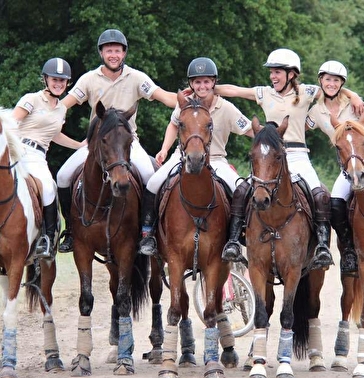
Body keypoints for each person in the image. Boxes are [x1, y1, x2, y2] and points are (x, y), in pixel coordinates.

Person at [215, 48, 364, 270]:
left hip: (297, 155)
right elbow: (234, 90)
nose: (272, 77)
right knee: (242, 191)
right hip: (269, 158)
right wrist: (207, 87)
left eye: (277, 72)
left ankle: (323, 246)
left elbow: (334, 88)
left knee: (320, 194)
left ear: (291, 74)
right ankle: (234, 242)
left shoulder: (307, 92)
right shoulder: (264, 93)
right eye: (272, 73)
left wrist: (354, 96)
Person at [56, 28, 177, 253]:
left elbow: (166, 97)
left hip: (128, 144)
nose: (113, 55)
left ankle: (147, 232)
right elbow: (65, 104)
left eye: (118, 51)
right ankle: (71, 230)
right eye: (109, 50)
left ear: (124, 54)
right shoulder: (89, 79)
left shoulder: (137, 77)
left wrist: (186, 97)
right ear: (101, 53)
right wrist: (44, 113)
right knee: (63, 176)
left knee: (150, 176)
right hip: (96, 146)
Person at [139, 57, 254, 256]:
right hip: (182, 157)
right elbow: (174, 125)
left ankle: (236, 237)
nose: (202, 86)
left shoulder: (225, 108)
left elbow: (250, 129)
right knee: (153, 183)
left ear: (214, 83)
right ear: (191, 84)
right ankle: (148, 234)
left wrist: (272, 136)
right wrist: (165, 149)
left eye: (206, 81)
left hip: (216, 159)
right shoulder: (184, 104)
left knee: (240, 190)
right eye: (198, 82)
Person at [306, 60, 364, 275]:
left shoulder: (354, 104)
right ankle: (351, 251)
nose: (331, 84)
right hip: (350, 166)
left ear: (342, 83)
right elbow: (301, 126)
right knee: (335, 202)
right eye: (328, 79)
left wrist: (357, 141)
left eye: (336, 80)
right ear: (321, 81)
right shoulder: (315, 112)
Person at [12, 58, 85, 258]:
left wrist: (79, 145)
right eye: (55, 79)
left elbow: (54, 135)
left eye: (63, 81)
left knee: (48, 188)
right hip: (18, 149)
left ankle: (46, 238)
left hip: (38, 156)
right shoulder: (31, 99)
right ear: (46, 79)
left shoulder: (61, 109)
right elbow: (12, 121)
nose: (58, 84)